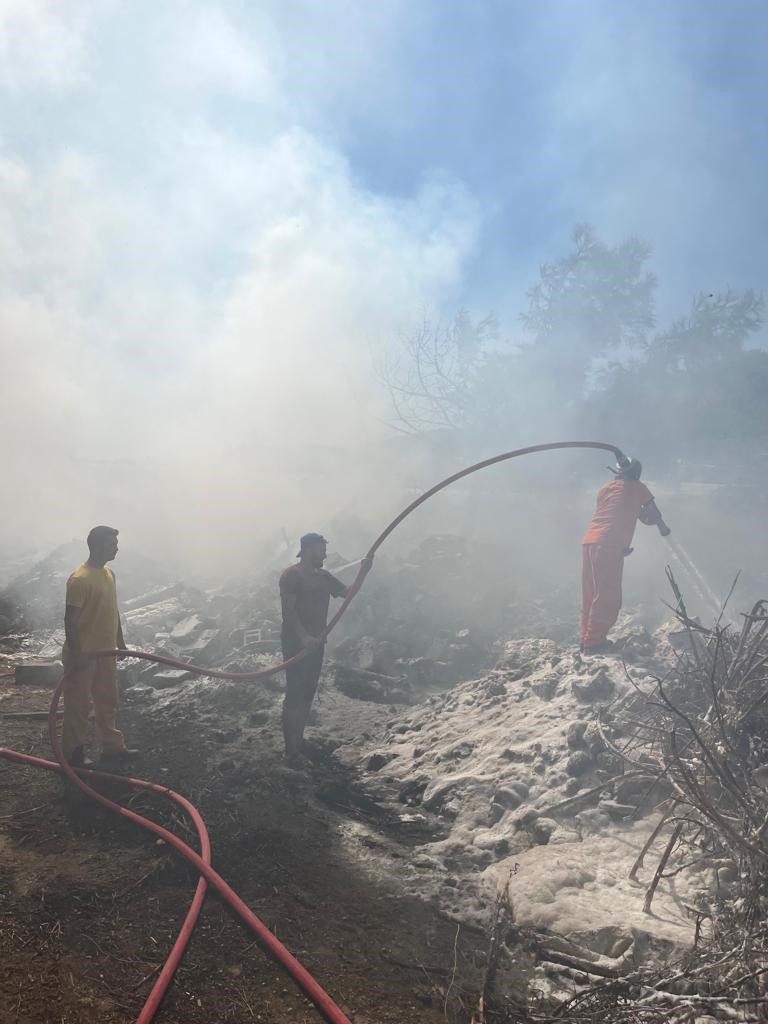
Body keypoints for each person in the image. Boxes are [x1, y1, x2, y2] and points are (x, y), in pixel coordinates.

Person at [62, 526, 138, 768]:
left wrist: (120, 640)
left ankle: (112, 747)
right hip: (84, 655)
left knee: (108, 701)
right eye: (111, 543)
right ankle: (73, 755)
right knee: (78, 706)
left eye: (116, 543)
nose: (116, 547)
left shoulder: (108, 574)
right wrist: (78, 654)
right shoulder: (80, 579)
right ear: (96, 546)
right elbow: (70, 620)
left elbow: (112, 609)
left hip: (106, 652)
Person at [581, 458, 670, 654]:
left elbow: (615, 512)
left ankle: (586, 638)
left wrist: (620, 547)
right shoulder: (638, 488)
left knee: (591, 593)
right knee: (607, 596)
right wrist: (663, 528)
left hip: (590, 543)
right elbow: (652, 514)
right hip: (608, 546)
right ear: (636, 473)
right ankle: (594, 643)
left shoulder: (605, 488)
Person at [278, 533, 353, 767]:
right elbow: (288, 612)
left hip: (316, 644)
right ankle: (290, 753)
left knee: (308, 693)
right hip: (296, 644)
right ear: (309, 549)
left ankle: (298, 743)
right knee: (295, 693)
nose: (325, 554)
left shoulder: (324, 577)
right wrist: (303, 637)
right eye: (322, 549)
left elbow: (347, 593)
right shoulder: (291, 575)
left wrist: (366, 569)